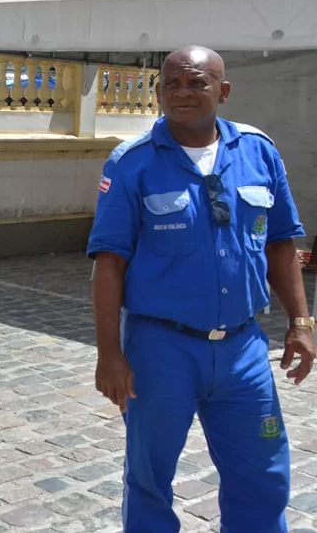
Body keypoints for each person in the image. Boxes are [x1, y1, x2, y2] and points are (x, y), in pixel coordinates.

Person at [88, 46, 314, 532]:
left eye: (196, 83)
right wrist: (109, 354)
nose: (182, 93)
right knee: (149, 480)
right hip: (160, 349)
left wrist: (301, 321)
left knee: (263, 475)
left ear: (223, 91)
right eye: (171, 84)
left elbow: (280, 243)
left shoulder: (258, 152)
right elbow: (109, 264)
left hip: (243, 350)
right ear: (158, 92)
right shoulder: (133, 163)